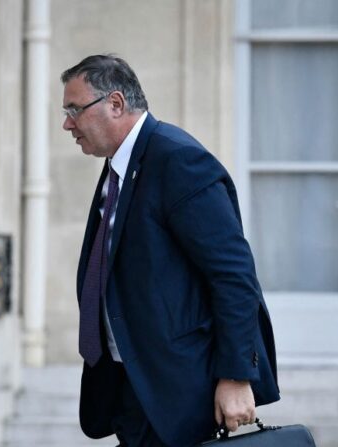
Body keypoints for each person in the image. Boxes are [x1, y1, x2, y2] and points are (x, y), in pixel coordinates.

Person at [61, 54, 279, 447]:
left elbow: (234, 276)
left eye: (75, 110)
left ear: (115, 103)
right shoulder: (119, 166)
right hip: (132, 386)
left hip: (179, 393)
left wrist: (235, 376)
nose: (67, 123)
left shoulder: (177, 159)